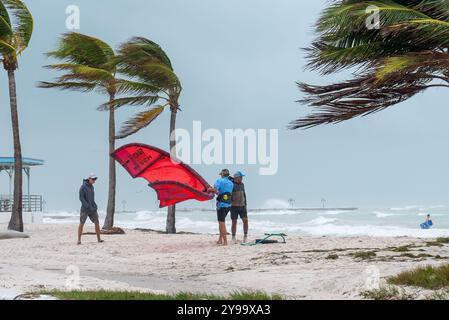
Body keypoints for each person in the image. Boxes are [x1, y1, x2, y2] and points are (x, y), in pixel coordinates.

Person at [208, 169, 234, 246]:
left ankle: (225, 242)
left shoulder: (219, 181)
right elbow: (222, 192)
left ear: (222, 174)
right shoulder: (231, 183)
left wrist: (209, 189)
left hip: (221, 205)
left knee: (222, 223)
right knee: (221, 222)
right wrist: (216, 192)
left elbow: (215, 190)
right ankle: (220, 239)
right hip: (228, 205)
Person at [78, 173, 104, 245]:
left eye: (95, 179)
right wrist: (87, 206)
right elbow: (81, 198)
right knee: (82, 223)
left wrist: (95, 205)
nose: (94, 180)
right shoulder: (83, 187)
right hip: (85, 209)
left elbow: (92, 198)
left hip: (92, 209)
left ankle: (99, 239)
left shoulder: (92, 187)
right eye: (93, 179)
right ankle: (79, 240)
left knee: (97, 222)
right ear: (89, 179)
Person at [231, 171, 249, 244]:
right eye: (241, 177)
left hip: (242, 206)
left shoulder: (242, 184)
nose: (242, 178)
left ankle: (245, 236)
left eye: (242, 177)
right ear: (236, 178)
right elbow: (229, 195)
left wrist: (245, 204)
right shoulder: (231, 184)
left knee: (245, 220)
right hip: (233, 206)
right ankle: (233, 237)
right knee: (234, 222)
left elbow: (244, 194)